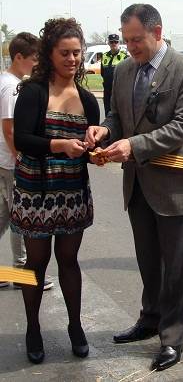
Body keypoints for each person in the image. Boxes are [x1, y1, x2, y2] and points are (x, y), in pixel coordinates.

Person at [85, 3, 183, 372]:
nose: (131, 47)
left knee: (176, 267)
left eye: (137, 40)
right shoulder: (124, 70)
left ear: (157, 31)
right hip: (137, 183)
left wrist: (133, 146)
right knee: (149, 261)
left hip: (174, 187)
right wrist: (106, 130)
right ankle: (150, 318)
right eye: (126, 40)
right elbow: (118, 116)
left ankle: (172, 337)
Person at [11, 18, 100, 364]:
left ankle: (75, 326)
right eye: (65, 53)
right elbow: (22, 139)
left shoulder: (88, 99)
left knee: (69, 260)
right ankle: (33, 328)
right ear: (50, 53)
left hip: (72, 192)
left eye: (77, 52)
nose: (72, 59)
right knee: (36, 262)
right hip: (35, 191)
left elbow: (88, 149)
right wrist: (59, 145)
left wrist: (96, 154)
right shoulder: (33, 91)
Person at [0, 33, 53, 291]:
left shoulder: (5, 81)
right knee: (20, 217)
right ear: (18, 57)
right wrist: (20, 158)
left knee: (5, 215)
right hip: (11, 161)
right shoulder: (12, 88)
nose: (37, 63)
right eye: (34, 58)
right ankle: (22, 271)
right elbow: (10, 130)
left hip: (5, 160)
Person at [100, 34, 128, 115]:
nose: (114, 44)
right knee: (108, 112)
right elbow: (103, 73)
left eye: (116, 42)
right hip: (107, 90)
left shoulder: (124, 57)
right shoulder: (104, 56)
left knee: (119, 113)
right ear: (108, 43)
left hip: (119, 90)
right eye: (111, 42)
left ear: (119, 43)